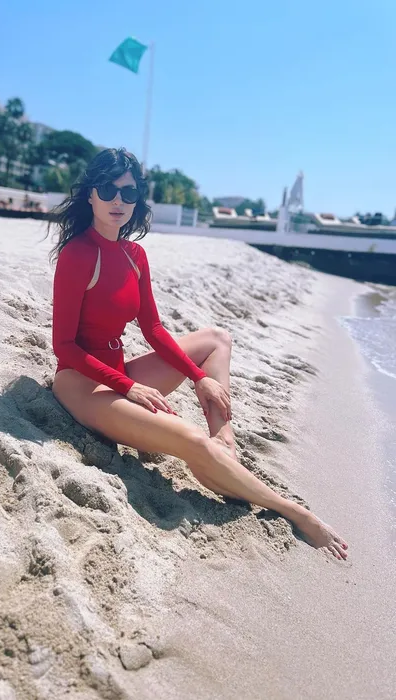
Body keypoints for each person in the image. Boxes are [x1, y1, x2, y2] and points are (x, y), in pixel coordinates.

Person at [50, 148, 348, 560]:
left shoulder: (134, 256)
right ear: (90, 195)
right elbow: (63, 346)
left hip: (119, 377)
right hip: (82, 386)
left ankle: (225, 439)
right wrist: (130, 387)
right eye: (108, 190)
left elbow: (153, 329)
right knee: (191, 441)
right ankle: (292, 510)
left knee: (217, 340)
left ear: (138, 199)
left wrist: (198, 377)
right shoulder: (78, 253)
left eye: (129, 192)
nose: (118, 201)